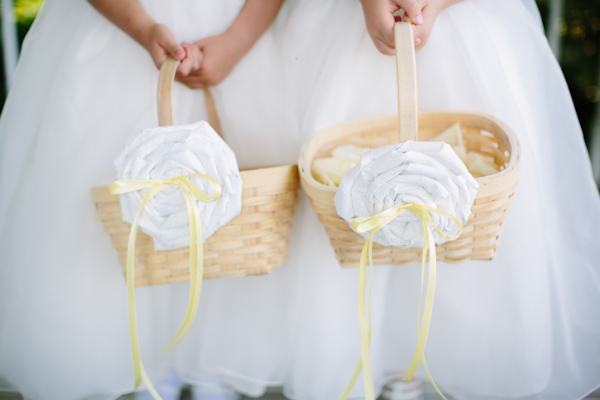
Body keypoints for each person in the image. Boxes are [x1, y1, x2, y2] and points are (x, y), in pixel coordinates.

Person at [278, 0, 600, 398]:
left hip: (468, 28)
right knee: (349, 210)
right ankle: (387, 370)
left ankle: (427, 371)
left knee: (473, 239)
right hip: (347, 28)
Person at [0, 0, 291, 399]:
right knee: (110, 198)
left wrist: (238, 39)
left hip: (237, 31)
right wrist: (142, 28)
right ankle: (147, 364)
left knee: (229, 203)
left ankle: (210, 362)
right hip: (121, 27)